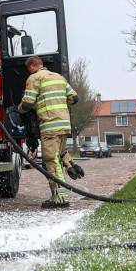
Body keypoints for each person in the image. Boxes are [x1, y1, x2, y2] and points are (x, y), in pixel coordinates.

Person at [18, 55, 84, 207]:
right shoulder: (58, 77)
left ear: (32, 67)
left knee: (51, 161)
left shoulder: (34, 78)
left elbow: (27, 104)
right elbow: (75, 98)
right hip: (64, 124)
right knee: (60, 155)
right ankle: (70, 165)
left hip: (49, 126)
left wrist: (18, 109)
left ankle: (60, 199)